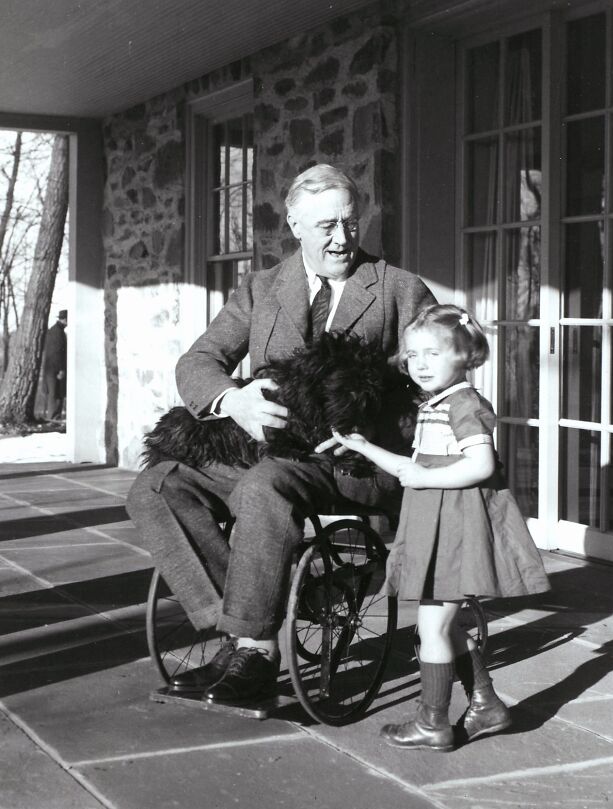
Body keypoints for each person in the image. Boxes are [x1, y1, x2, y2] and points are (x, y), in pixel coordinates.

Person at [126, 164, 436, 705]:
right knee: (157, 486)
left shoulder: (400, 291)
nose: (342, 238)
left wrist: (374, 438)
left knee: (263, 486)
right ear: (295, 224)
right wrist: (233, 401)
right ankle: (243, 630)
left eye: (350, 223)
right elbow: (199, 360)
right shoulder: (263, 287)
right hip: (270, 451)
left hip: (350, 463)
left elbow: (432, 392)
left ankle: (256, 651)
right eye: (326, 227)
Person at [331, 304, 550, 752]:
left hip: (455, 530)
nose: (420, 364)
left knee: (432, 628)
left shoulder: (465, 404)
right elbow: (413, 467)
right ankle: (486, 704)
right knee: (443, 626)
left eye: (433, 353)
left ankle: (433, 723)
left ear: (466, 356)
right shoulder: (438, 404)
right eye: (412, 355)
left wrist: (427, 478)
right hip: (437, 526)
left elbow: (481, 464)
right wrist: (364, 446)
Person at [42, 309, 67, 420]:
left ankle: (53, 418)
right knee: (55, 395)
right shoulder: (57, 332)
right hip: (54, 370)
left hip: (51, 369)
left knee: (55, 394)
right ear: (64, 319)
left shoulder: (55, 330)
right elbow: (56, 352)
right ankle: (53, 419)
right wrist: (61, 369)